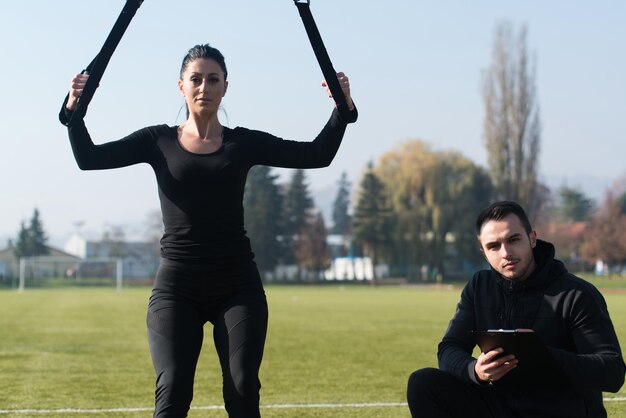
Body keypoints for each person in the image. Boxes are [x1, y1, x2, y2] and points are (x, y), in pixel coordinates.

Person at [60, 43, 357, 418]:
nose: (204, 87)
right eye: (196, 79)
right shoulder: (158, 140)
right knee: (173, 390)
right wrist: (74, 110)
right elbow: (89, 158)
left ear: (225, 87)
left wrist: (341, 110)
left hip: (236, 286)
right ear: (181, 87)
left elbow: (317, 154)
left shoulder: (242, 143)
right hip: (176, 287)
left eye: (213, 79)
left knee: (242, 387)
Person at [406, 200, 625, 418]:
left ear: (532, 238)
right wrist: (475, 371)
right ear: (483, 252)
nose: (506, 253)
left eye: (513, 239)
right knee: (423, 384)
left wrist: (542, 355)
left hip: (561, 409)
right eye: (494, 246)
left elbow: (612, 372)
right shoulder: (479, 286)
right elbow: (449, 349)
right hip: (502, 406)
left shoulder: (577, 294)